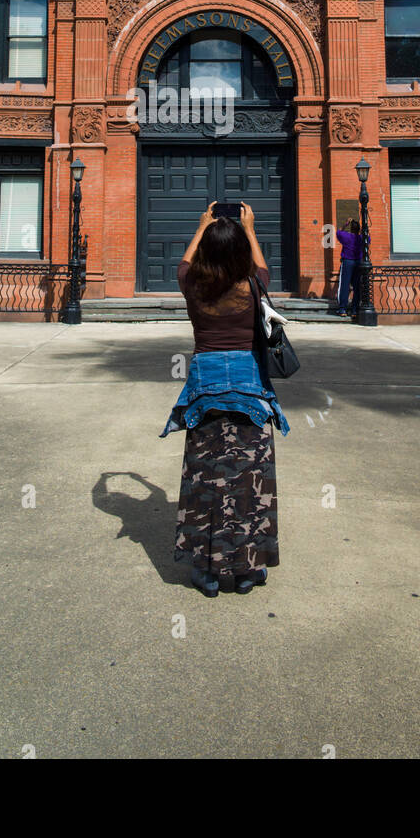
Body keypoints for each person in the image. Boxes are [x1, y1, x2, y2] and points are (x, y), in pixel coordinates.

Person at [160, 201, 290, 598]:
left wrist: (202, 225)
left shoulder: (192, 284)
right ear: (239, 252)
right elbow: (261, 267)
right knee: (250, 480)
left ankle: (208, 572)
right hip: (249, 393)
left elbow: (182, 264)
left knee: (206, 479)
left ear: (205, 250)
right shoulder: (253, 286)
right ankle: (249, 570)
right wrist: (249, 230)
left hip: (205, 393)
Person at [335, 218, 363, 317]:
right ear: (359, 229)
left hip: (347, 262)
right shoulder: (361, 238)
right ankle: (354, 310)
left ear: (351, 228)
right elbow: (368, 239)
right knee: (357, 287)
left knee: (344, 285)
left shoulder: (346, 236)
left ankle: (343, 309)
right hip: (358, 262)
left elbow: (338, 231)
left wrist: (346, 223)